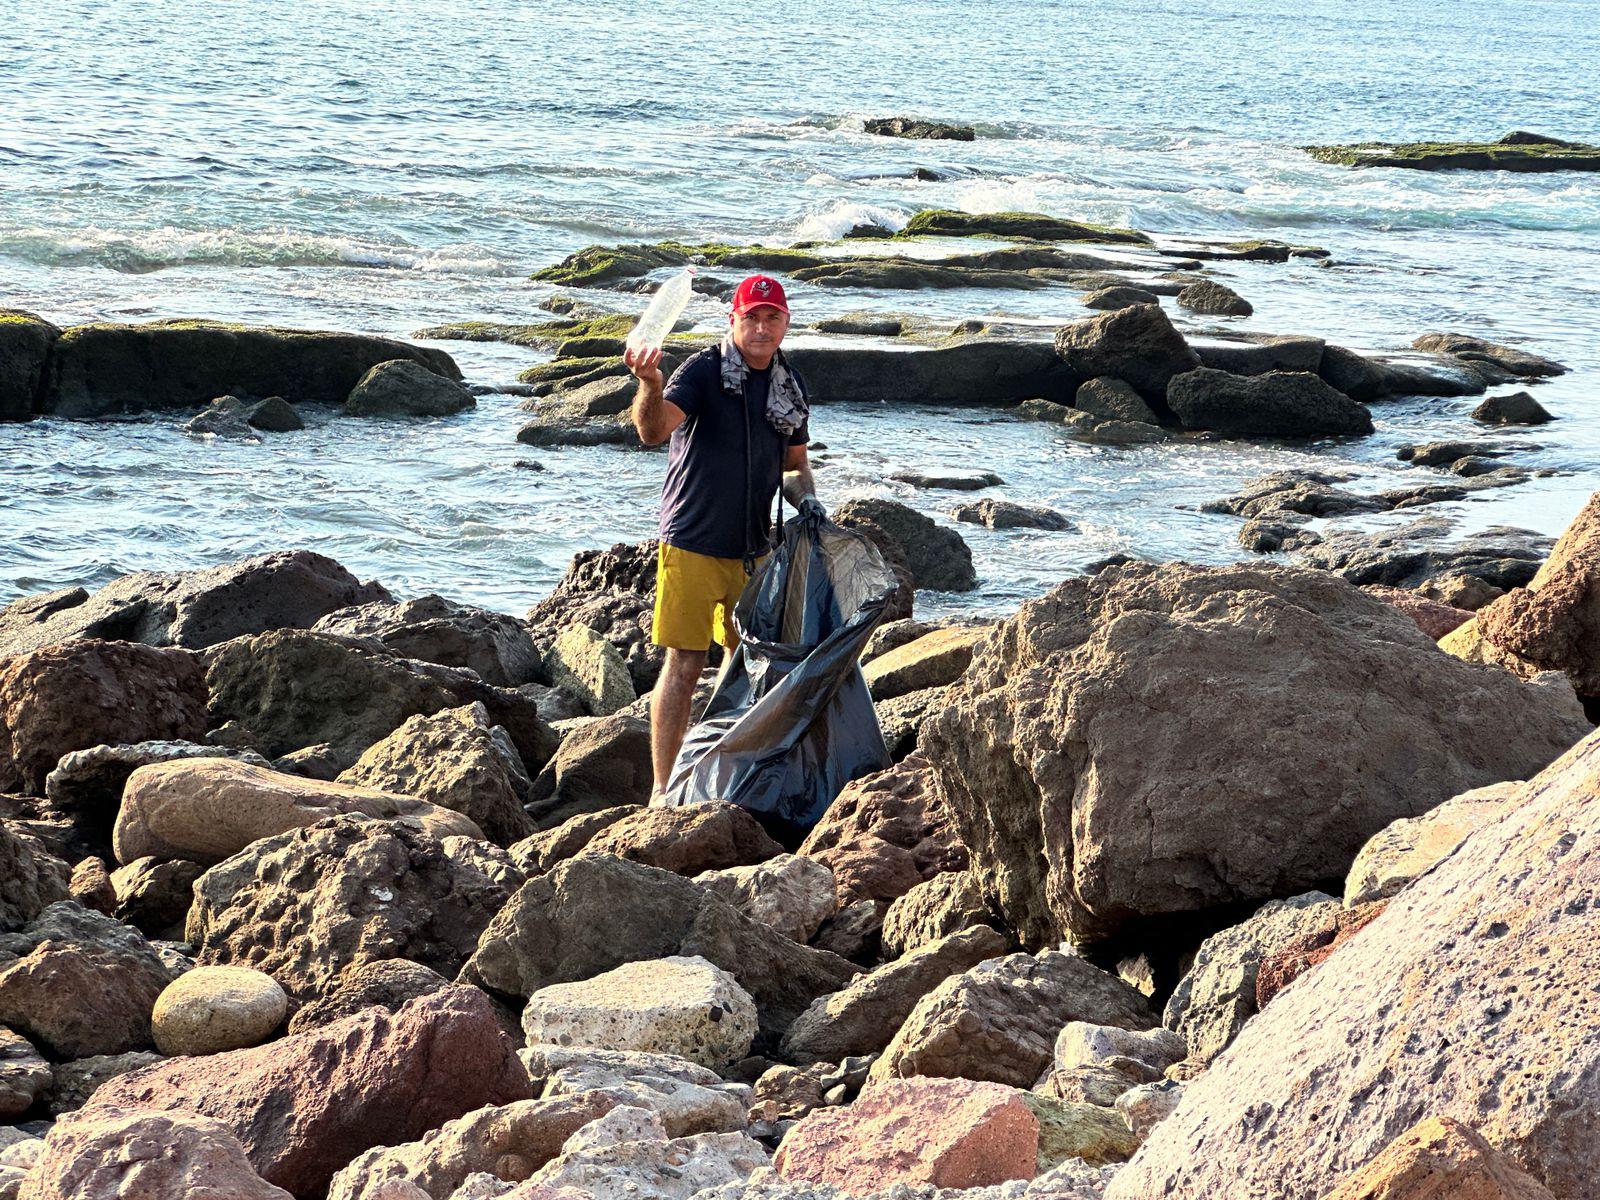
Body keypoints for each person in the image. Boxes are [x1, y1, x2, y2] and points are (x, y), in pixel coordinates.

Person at [624, 272, 820, 799]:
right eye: (750, 318)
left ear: (785, 322)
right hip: (691, 541)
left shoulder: (789, 384)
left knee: (750, 670)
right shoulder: (704, 371)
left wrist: (811, 504)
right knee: (686, 662)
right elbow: (652, 430)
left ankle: (733, 783)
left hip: (755, 551)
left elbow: (794, 466)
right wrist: (650, 384)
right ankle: (662, 790)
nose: (760, 328)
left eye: (770, 318)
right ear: (732, 320)